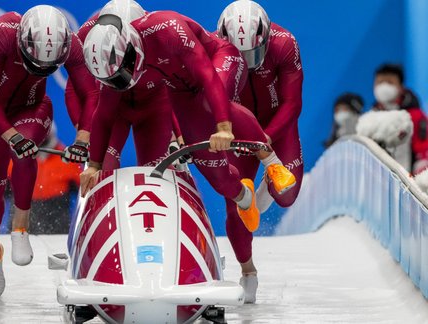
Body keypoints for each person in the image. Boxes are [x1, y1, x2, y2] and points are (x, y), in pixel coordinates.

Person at [80, 11, 295, 250]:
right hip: (182, 93)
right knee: (217, 177)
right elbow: (103, 116)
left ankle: (272, 162)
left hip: (217, 62)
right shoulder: (116, 65)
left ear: (131, 48)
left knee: (209, 103)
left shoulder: (167, 30)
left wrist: (224, 127)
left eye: (123, 73)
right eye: (114, 80)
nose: (124, 82)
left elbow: (207, 75)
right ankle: (245, 198)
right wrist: (94, 166)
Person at [0, 5, 98, 298]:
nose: (41, 71)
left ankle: (20, 228)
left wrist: (83, 138)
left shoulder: (71, 44)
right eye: (34, 63)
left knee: (25, 152)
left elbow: (90, 92)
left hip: (32, 107)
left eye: (48, 68)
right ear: (23, 44)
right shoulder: (0, 33)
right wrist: (9, 135)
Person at [217, 0, 304, 303]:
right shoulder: (211, 47)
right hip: (237, 127)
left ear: (266, 37)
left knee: (287, 193)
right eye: (239, 56)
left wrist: (264, 139)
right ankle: (248, 272)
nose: (248, 62)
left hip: (275, 125)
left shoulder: (285, 44)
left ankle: (266, 182)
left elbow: (293, 103)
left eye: (254, 54)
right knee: (235, 204)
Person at [64, 0, 147, 170]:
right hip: (110, 101)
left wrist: (176, 137)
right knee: (105, 163)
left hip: (147, 95)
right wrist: (83, 136)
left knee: (161, 160)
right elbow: (74, 88)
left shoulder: (150, 28)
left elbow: (169, 84)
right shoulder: (87, 34)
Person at [5, 124, 81, 235]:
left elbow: (85, 194)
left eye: (44, 138)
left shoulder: (67, 160)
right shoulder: (14, 160)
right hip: (20, 226)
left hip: (58, 227)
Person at [371, 63, 428, 174]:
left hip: (407, 182)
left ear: (401, 87)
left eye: (389, 82)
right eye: (379, 82)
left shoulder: (415, 116)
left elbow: (424, 149)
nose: (384, 86)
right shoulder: (371, 117)